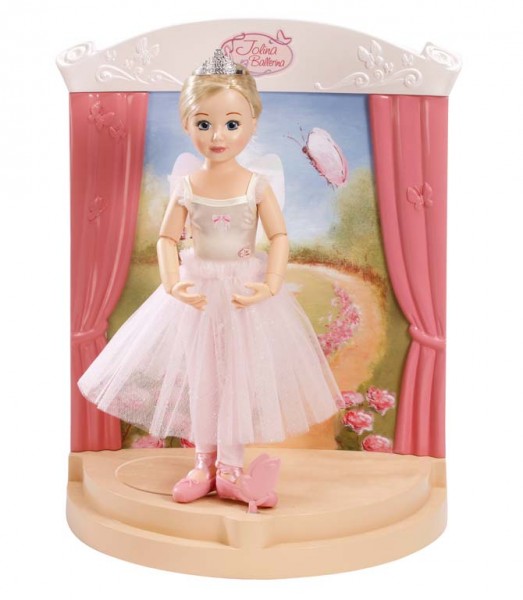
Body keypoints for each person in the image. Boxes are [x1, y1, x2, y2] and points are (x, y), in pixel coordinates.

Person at [77, 49, 343, 513]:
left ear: (252, 124)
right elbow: (166, 238)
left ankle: (232, 469)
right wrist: (172, 282)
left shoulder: (256, 185)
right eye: (204, 124)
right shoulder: (187, 186)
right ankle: (203, 463)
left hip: (242, 291)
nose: (218, 135)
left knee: (236, 376)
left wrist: (271, 283)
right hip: (197, 290)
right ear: (187, 125)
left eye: (231, 124)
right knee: (203, 376)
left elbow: (279, 236)